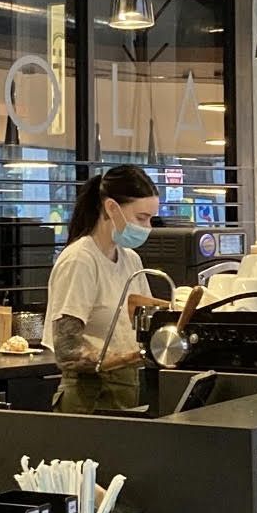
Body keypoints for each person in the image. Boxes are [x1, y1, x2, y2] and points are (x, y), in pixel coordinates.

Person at [45, 166, 160, 414]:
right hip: (88, 398)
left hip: (127, 389)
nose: (147, 227)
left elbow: (143, 321)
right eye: (141, 218)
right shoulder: (80, 260)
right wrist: (131, 357)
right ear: (111, 208)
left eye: (151, 219)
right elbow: (68, 351)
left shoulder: (131, 260)